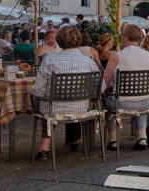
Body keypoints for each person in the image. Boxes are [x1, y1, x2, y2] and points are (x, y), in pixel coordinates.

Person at [31, 26, 100, 161]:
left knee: (45, 103)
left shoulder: (49, 60)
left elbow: (38, 91)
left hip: (52, 109)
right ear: (79, 41)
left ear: (59, 41)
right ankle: (75, 140)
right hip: (81, 108)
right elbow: (99, 88)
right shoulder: (89, 62)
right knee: (73, 101)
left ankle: (44, 148)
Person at [103, 25, 149, 151]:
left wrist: (106, 90)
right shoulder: (148, 55)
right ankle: (142, 137)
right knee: (140, 99)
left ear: (127, 37)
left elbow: (105, 82)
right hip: (148, 102)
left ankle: (112, 140)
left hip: (122, 103)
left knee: (108, 105)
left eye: (122, 36)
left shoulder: (116, 56)